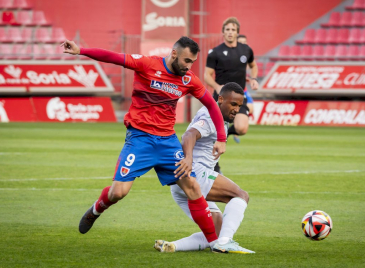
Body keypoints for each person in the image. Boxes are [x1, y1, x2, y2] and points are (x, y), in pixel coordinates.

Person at [61, 37, 227, 248]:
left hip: (168, 142)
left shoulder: (188, 79)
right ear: (174, 54)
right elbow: (113, 57)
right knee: (118, 192)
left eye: (192, 62)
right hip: (140, 139)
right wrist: (81, 50)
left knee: (193, 187)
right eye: (186, 60)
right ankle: (96, 210)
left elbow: (212, 105)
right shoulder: (147, 65)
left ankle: (215, 244)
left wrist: (221, 138)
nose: (188, 66)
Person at [154, 82, 254, 254]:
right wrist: (188, 159)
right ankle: (225, 243)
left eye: (239, 105)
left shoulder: (220, 117)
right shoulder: (209, 115)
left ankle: (172, 246)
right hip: (195, 173)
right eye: (233, 104)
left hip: (182, 183)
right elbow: (189, 135)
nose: (237, 109)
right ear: (220, 99)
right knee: (240, 195)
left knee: (215, 232)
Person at [204, 17, 258, 171]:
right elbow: (207, 75)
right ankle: (214, 165)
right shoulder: (215, 52)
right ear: (223, 32)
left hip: (239, 98)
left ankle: (225, 133)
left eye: (233, 29)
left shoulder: (246, 50)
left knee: (241, 128)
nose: (230, 32)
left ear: (237, 32)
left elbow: (253, 66)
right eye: (227, 29)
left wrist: (253, 79)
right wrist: (216, 86)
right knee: (211, 135)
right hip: (220, 98)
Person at [234, 34, 255, 143]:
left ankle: (235, 128)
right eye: (240, 42)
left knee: (251, 108)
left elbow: (252, 67)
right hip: (233, 91)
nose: (243, 44)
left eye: (244, 42)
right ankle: (234, 127)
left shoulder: (246, 55)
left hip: (244, 90)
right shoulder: (232, 55)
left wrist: (251, 79)